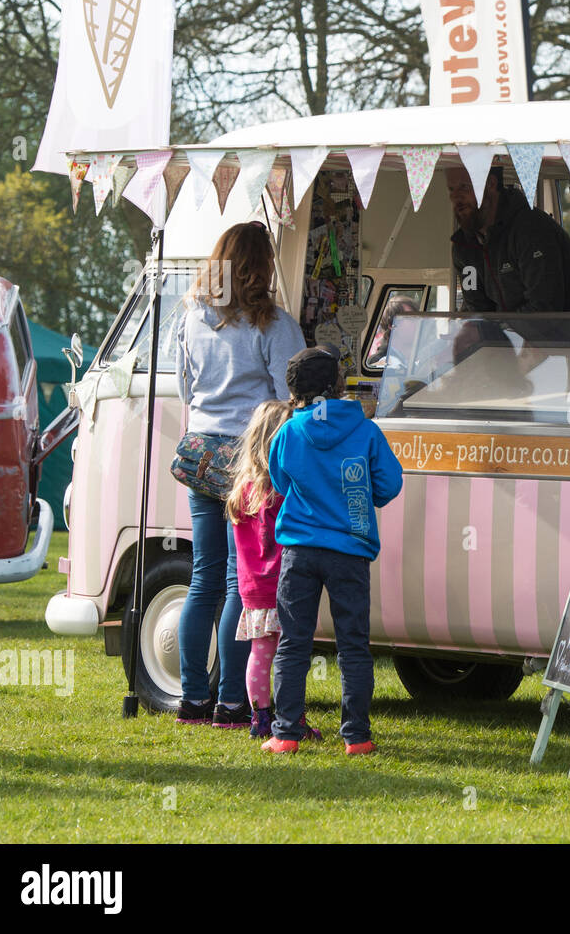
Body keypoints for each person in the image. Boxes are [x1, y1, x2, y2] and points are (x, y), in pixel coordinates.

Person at [173, 221, 306, 727]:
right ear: (262, 266)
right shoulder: (271, 325)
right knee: (238, 578)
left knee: (202, 575)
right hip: (248, 456)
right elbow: (288, 394)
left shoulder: (191, 318)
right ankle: (231, 701)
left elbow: (186, 389)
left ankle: (192, 698)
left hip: (199, 449)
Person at [263, 346, 403, 755]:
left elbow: (281, 481)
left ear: (295, 392)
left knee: (293, 642)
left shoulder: (288, 432)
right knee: (353, 645)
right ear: (338, 386)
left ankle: (285, 733)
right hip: (350, 549)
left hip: (300, 550)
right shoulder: (366, 431)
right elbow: (390, 486)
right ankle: (356, 737)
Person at [224, 399, 320, 741]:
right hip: (282, 584)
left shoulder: (242, 490)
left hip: (252, 588)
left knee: (260, 655)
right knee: (291, 657)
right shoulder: (281, 490)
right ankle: (292, 718)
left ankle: (260, 719)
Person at [446, 166, 570, 314]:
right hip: (526, 341)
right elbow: (477, 311)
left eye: (464, 187)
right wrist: (471, 331)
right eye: (451, 189)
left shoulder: (531, 229)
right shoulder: (464, 247)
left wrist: (500, 331)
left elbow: (545, 307)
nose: (455, 197)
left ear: (490, 183)